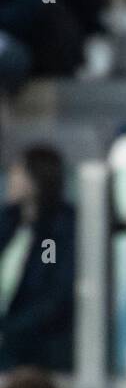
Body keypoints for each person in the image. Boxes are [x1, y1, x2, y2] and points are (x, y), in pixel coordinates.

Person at [0, 145, 76, 373]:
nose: (10, 178)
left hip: (34, 345)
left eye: (17, 171)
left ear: (36, 178)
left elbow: (50, 292)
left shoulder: (52, 234)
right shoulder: (8, 222)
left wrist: (8, 330)